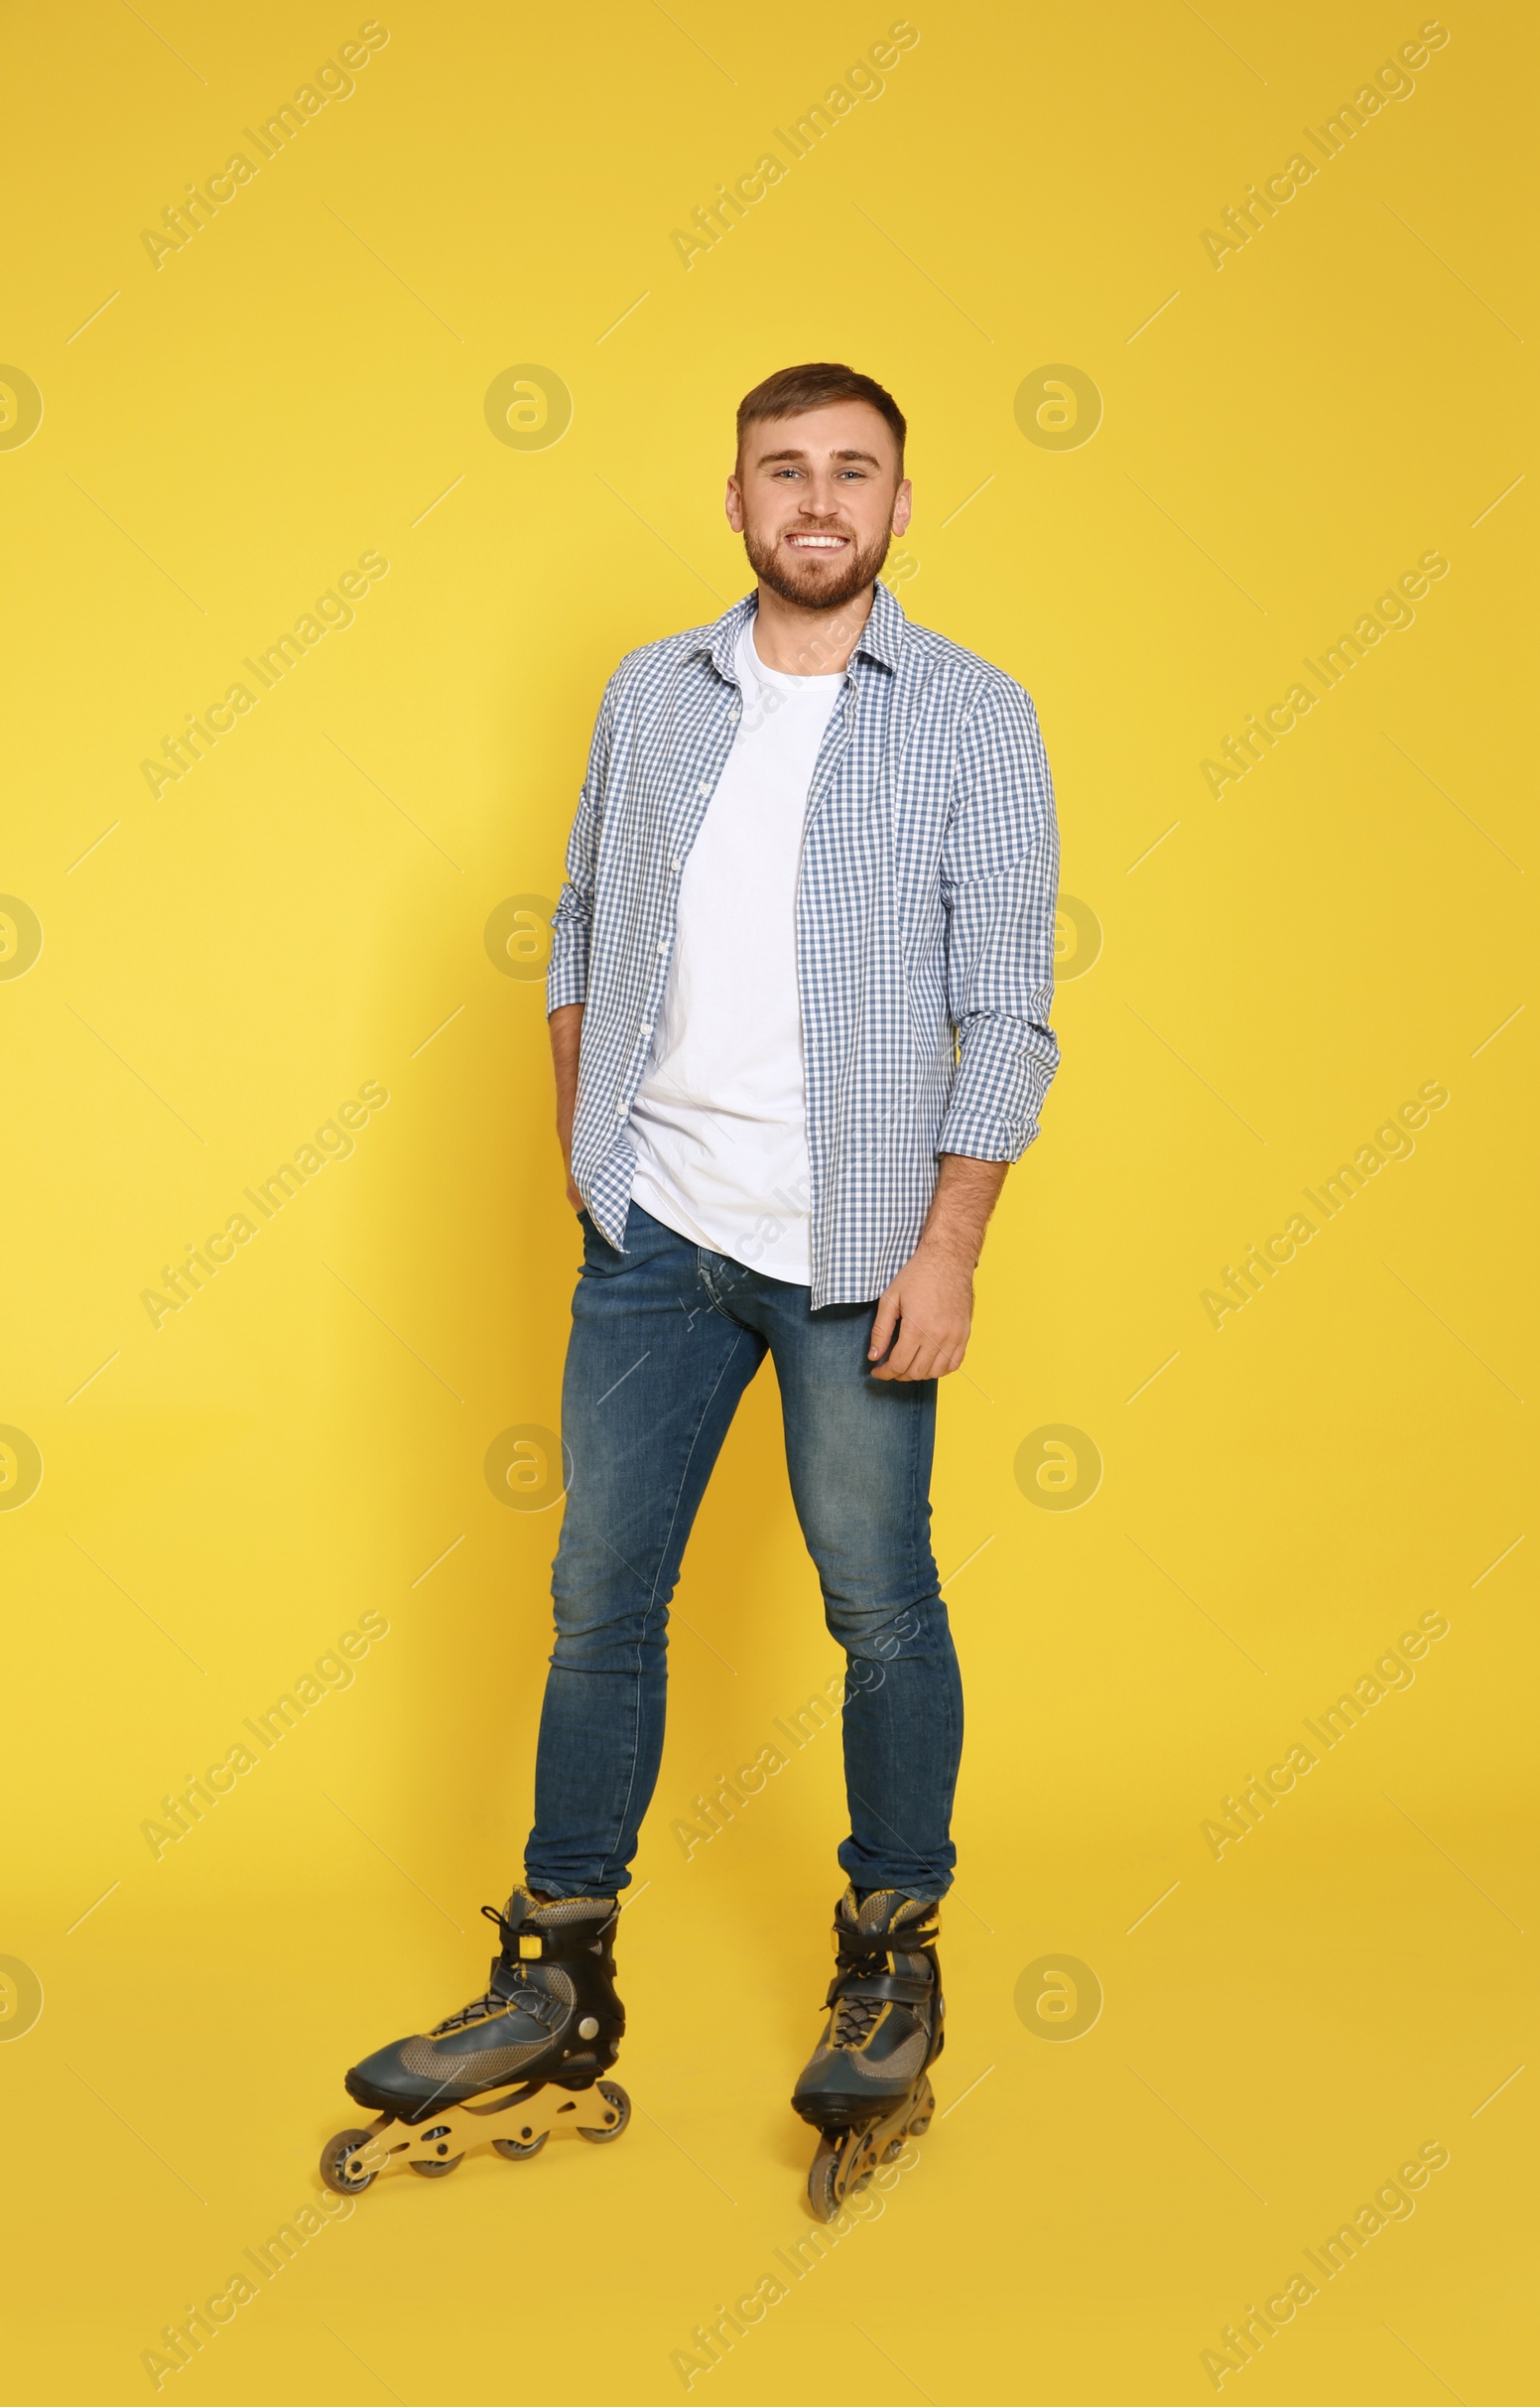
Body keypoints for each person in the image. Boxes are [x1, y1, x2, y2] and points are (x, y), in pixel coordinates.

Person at [323, 362, 1059, 2216]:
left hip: (857, 1249)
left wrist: (950, 1246)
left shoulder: (976, 716)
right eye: (784, 470)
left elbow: (1013, 1008)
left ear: (903, 501)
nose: (819, 499)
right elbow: (578, 920)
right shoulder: (652, 697)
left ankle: (890, 1956)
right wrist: (598, 1168)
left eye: (855, 472)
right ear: (733, 499)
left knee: (876, 1600)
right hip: (656, 1238)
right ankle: (557, 1976)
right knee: (598, 1600)